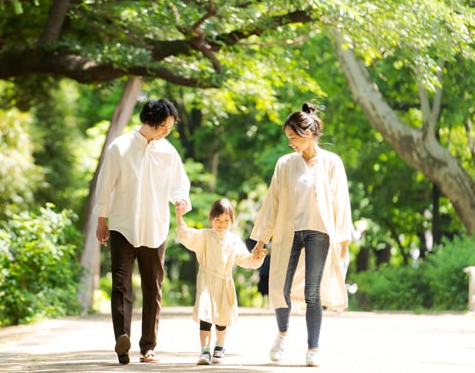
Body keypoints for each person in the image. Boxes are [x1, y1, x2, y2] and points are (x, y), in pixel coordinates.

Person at [250, 102, 354, 367]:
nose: (290, 143)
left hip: (319, 232)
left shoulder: (332, 163)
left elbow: (341, 202)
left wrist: (343, 241)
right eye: (288, 139)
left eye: (293, 138)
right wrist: (261, 240)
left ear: (307, 134)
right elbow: (272, 202)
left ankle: (313, 348)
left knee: (312, 292)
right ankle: (282, 335)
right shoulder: (285, 164)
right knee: (279, 287)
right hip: (289, 232)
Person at [94, 98, 192, 365]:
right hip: (122, 226)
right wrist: (101, 219)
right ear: (150, 121)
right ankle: (122, 341)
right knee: (120, 286)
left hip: (155, 227)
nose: (167, 132)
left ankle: (148, 346)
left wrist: (181, 200)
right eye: (164, 127)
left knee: (153, 289)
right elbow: (105, 184)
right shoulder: (120, 147)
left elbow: (180, 184)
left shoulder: (168, 152)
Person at [176, 198, 267, 365]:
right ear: (211, 219)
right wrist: (179, 216)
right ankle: (204, 350)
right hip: (207, 282)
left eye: (226, 220)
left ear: (232, 220)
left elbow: (245, 260)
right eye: (218, 219)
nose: (222, 223)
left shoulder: (234, 240)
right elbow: (185, 235)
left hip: (225, 282)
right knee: (206, 316)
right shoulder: (204, 235)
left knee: (222, 317)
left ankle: (219, 346)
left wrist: (257, 257)